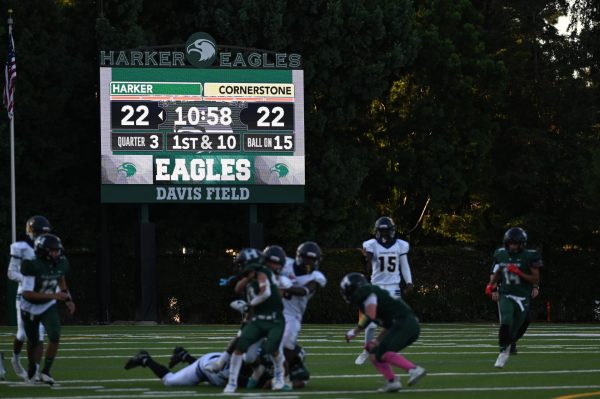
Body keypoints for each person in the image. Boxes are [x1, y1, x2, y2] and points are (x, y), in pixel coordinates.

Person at [341, 272, 426, 392]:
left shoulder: (368, 293)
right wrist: (376, 341)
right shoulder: (372, 299)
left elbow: (370, 315)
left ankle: (414, 370)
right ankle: (392, 382)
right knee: (374, 352)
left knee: (383, 352)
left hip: (406, 324)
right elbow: (388, 325)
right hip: (401, 324)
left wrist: (354, 332)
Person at [223, 245, 288, 393]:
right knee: (247, 356)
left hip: (274, 319)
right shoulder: (253, 275)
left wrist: (249, 306)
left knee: (272, 349)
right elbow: (237, 289)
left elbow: (266, 294)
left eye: (243, 263)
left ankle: (280, 378)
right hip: (258, 320)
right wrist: (247, 278)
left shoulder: (266, 275)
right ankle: (234, 382)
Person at [355, 216, 414, 365]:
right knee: (372, 323)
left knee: (394, 323)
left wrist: (409, 282)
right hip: (376, 287)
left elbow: (404, 265)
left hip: (393, 287)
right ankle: (367, 350)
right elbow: (367, 267)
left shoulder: (400, 245)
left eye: (386, 231)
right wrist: (365, 259)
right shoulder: (371, 245)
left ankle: (385, 349)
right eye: (382, 232)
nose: (384, 235)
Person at [20, 233, 76, 384]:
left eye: (57, 250)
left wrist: (67, 298)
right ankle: (32, 366)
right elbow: (27, 294)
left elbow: (61, 277)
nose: (55, 253)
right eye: (52, 250)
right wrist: (55, 297)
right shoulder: (31, 264)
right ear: (41, 250)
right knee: (33, 342)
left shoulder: (61, 262)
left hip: (47, 306)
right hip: (30, 306)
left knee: (55, 334)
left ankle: (46, 371)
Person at [486, 227, 542, 368]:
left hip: (523, 295)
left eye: (516, 243)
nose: (513, 246)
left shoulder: (530, 256)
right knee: (506, 319)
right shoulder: (500, 254)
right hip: (506, 292)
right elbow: (497, 271)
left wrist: (528, 281)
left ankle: (511, 342)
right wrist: (492, 286)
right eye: (511, 243)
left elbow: (535, 277)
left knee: (521, 322)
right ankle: (503, 349)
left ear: (522, 243)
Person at [6, 215, 51, 380]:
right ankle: (15, 359)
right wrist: (28, 278)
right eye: (39, 232)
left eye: (44, 233)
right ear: (31, 232)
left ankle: (36, 369)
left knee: (39, 334)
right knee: (23, 334)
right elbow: (11, 273)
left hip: (42, 295)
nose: (41, 236)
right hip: (24, 294)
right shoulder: (21, 248)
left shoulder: (49, 246)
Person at [279, 241, 327, 387]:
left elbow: (304, 291)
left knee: (286, 347)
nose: (310, 263)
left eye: (313, 260)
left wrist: (284, 285)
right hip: (274, 309)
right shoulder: (286, 263)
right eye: (308, 259)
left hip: (293, 315)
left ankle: (284, 378)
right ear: (300, 257)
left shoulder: (317, 277)